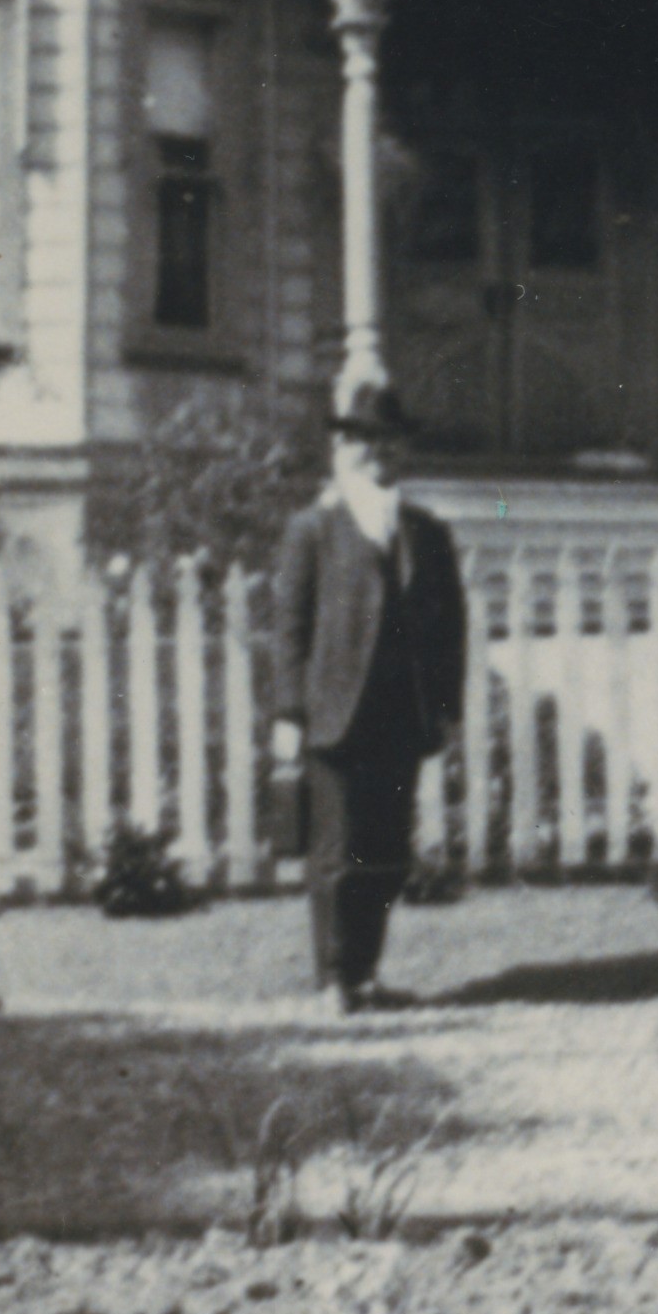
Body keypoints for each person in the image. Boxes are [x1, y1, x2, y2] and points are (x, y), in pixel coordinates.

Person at [269, 378, 468, 1013]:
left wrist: (448, 709)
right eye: (362, 440)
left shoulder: (426, 532)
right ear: (341, 448)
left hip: (400, 713)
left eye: (387, 440)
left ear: (401, 450)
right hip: (335, 714)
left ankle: (368, 974)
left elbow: (449, 632)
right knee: (335, 852)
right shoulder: (314, 529)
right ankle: (333, 979)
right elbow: (289, 630)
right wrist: (288, 712)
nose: (376, 452)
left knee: (385, 850)